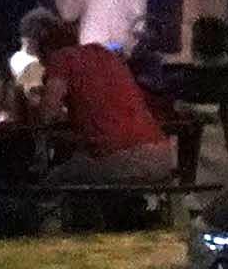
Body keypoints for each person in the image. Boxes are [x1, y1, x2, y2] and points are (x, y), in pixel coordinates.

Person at [29, 11, 179, 190]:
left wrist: (36, 102)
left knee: (50, 184)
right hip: (162, 156)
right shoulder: (106, 54)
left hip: (121, 159)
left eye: (40, 58)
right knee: (82, 165)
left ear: (46, 50)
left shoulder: (61, 58)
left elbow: (47, 114)